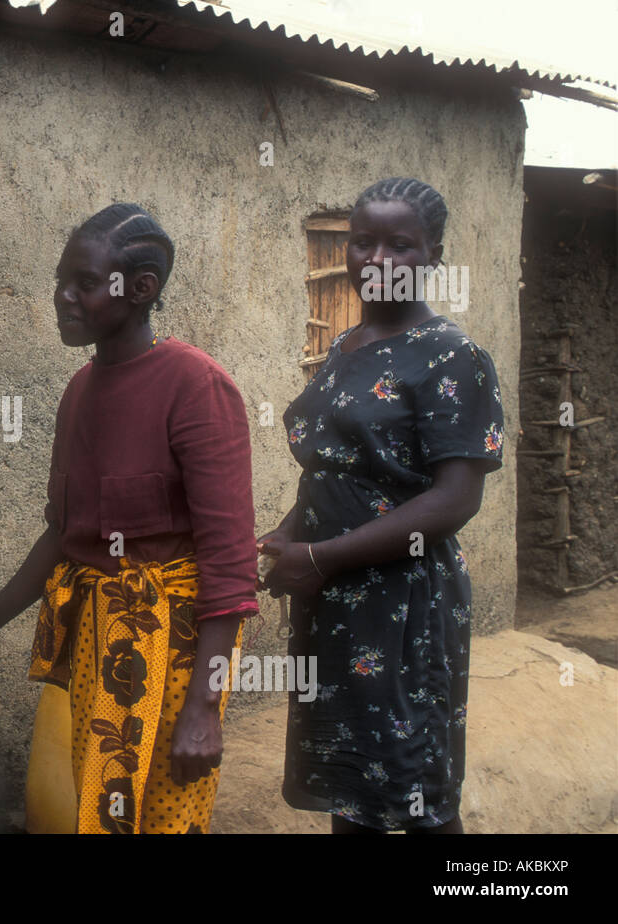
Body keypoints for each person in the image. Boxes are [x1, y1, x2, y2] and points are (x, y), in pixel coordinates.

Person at [0, 203, 258, 834]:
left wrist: (204, 708)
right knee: (100, 813)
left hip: (175, 651)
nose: (62, 296)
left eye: (82, 282)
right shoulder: (80, 393)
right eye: (59, 280)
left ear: (140, 290)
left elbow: (231, 565)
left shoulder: (197, 386)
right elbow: (64, 534)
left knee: (162, 819)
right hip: (99, 643)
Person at [260, 177, 504, 834]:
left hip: (404, 607)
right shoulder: (345, 348)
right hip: (335, 603)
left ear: (433, 254)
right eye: (363, 242)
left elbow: (455, 499)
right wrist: (288, 536)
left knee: (417, 791)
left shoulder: (453, 356)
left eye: (400, 245)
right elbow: (337, 470)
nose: (377, 260)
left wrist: (319, 556)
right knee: (350, 786)